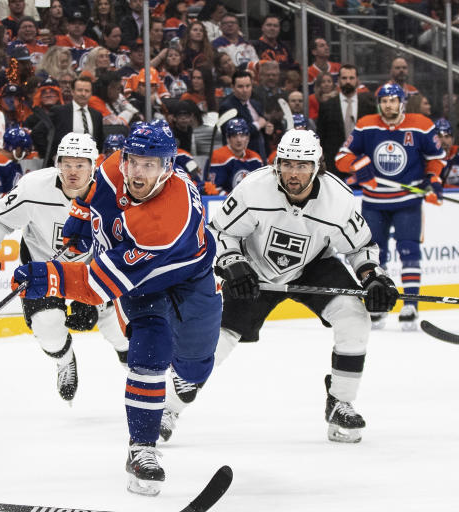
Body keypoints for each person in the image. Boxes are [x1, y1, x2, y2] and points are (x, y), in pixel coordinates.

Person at [11, 122, 222, 496]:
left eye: (149, 165)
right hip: (142, 285)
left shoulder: (164, 219)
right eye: (133, 161)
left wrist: (46, 276)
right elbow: (93, 194)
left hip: (190, 280)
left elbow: (95, 286)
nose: (137, 172)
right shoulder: (113, 167)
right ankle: (142, 450)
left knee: (193, 366)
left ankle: (178, 389)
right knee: (150, 352)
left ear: (167, 168)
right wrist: (78, 219)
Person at [161, 130, 398, 444]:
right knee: (215, 343)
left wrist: (373, 277)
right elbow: (218, 234)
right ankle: (165, 410)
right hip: (254, 270)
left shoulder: (338, 199)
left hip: (314, 266)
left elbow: (360, 247)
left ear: (317, 166)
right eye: (287, 164)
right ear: (277, 164)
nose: (293, 173)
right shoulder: (254, 189)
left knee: (354, 317)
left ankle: (340, 401)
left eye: (302, 165)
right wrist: (232, 262)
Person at [0, 132, 129, 402]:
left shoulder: (110, 194)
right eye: (67, 164)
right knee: (48, 327)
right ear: (57, 163)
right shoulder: (33, 188)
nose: (73, 171)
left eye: (80, 165)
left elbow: (120, 242)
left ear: (93, 165)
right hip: (44, 269)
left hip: (93, 272)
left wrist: (90, 295)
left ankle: (141, 379)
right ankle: (64, 360)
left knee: (120, 333)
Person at [335, 83, 446, 331]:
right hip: (374, 202)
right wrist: (359, 164)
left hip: (407, 201)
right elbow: (341, 157)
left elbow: (436, 159)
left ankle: (410, 303)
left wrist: (433, 179)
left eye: (393, 100)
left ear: (402, 102)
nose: (388, 105)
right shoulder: (366, 124)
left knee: (408, 250)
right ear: (379, 104)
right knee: (374, 254)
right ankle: (376, 301)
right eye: (384, 101)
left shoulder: (421, 124)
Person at [316, 64, 374, 176]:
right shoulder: (327, 106)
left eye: (351, 78)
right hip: (334, 166)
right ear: (338, 80)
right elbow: (321, 137)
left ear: (357, 80)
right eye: (344, 78)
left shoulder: (369, 105)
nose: (348, 81)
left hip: (363, 164)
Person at [43, 77, 104, 164]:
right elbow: (38, 133)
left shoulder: (97, 115)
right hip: (63, 164)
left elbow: (100, 142)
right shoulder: (59, 112)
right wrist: (52, 155)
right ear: (72, 91)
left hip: (90, 165)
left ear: (91, 93)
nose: (83, 94)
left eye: (87, 91)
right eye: (80, 90)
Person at [218, 70, 268, 160]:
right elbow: (232, 133)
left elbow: (263, 125)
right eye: (240, 87)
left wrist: (267, 127)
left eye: (248, 86)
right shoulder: (227, 107)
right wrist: (257, 125)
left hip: (260, 155)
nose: (245, 90)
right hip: (239, 158)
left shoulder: (256, 104)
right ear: (233, 87)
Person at [206, 117, 263, 195]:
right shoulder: (218, 156)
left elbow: (260, 186)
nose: (238, 140)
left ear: (247, 138)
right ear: (228, 138)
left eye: (242, 135)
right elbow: (215, 188)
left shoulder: (255, 159)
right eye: (234, 136)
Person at [435, 118, 459, 185]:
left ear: (453, 139)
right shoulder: (426, 159)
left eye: (447, 136)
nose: (443, 140)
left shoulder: (457, 156)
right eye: (439, 136)